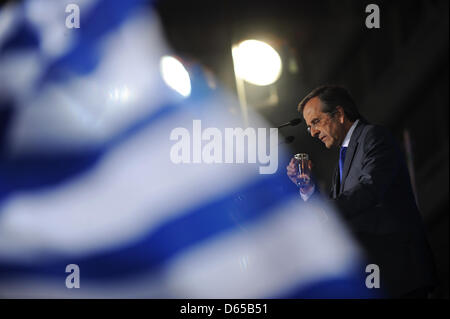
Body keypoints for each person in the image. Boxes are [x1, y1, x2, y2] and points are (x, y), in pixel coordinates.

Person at [286, 85, 437, 298]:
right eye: (309, 127)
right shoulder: (343, 158)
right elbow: (340, 208)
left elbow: (370, 189)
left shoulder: (374, 137)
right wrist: (308, 188)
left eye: (316, 122)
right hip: (373, 276)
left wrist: (320, 211)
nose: (313, 133)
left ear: (339, 114)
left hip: (399, 273)